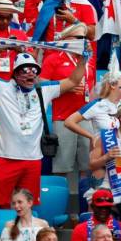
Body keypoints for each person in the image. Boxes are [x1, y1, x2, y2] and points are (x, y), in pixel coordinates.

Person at [0, 50, 86, 207]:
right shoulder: (0, 87)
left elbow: (73, 80)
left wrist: (83, 60)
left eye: (34, 71)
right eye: (25, 70)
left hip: (32, 159)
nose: (30, 75)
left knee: (27, 205)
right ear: (15, 73)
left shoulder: (44, 89)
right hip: (4, 157)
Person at [40, 23, 97, 183]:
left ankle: (85, 200)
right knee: (62, 166)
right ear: (66, 39)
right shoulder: (53, 59)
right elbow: (41, 86)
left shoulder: (89, 61)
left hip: (84, 118)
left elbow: (91, 89)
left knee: (87, 165)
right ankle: (61, 202)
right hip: (63, 118)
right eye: (79, 38)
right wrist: (65, 86)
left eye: (85, 38)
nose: (83, 41)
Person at [64, 70, 121, 143]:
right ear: (112, 85)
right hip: (103, 152)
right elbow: (69, 122)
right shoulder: (97, 105)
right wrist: (91, 137)